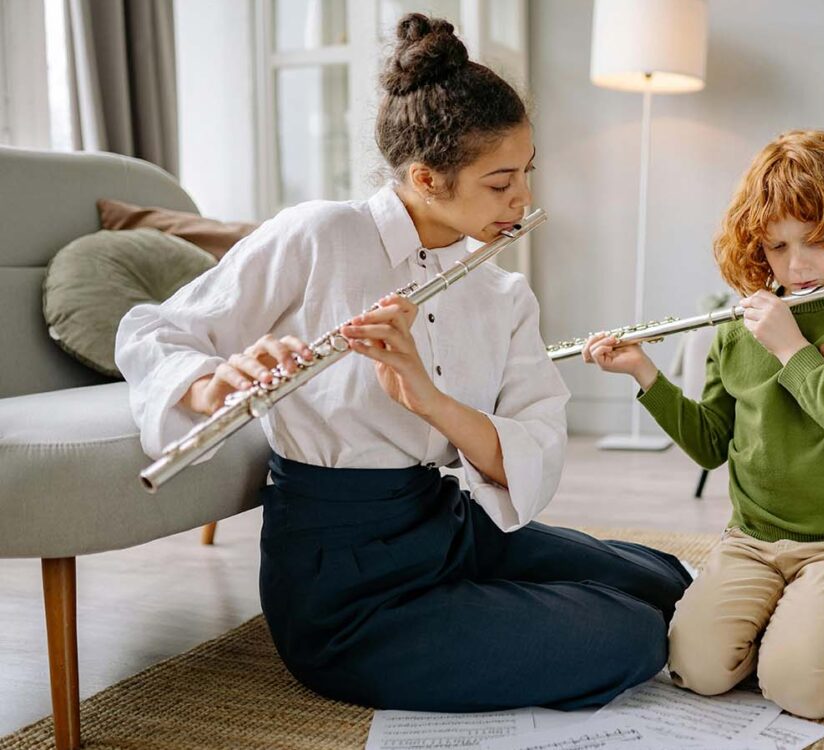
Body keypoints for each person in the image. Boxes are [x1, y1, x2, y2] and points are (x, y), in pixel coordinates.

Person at [115, 13, 690, 712]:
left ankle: (488, 607)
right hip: (345, 580)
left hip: (443, 528)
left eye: (526, 175)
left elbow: (535, 446)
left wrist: (432, 400)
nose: (523, 199)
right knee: (631, 635)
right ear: (425, 177)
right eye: (501, 181)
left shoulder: (499, 288)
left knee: (670, 583)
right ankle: (484, 617)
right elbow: (154, 330)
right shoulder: (321, 235)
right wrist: (210, 384)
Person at [582, 129, 824, 718]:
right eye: (778, 247)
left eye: (815, 241)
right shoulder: (736, 329)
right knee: (696, 669)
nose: (797, 264)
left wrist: (792, 349)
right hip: (753, 542)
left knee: (803, 690)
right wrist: (645, 375)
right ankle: (796, 623)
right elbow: (712, 445)